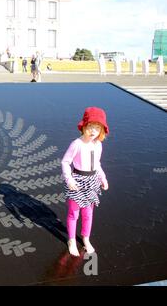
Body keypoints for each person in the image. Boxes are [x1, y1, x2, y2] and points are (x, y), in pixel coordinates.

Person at [61, 107, 109, 257]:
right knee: (74, 213)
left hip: (92, 181)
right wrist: (69, 179)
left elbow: (97, 164)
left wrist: (103, 177)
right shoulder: (77, 144)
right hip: (78, 181)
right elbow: (65, 162)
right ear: (84, 126)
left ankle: (86, 238)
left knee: (88, 213)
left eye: (97, 128)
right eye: (90, 127)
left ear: (101, 130)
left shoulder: (98, 145)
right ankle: (71, 240)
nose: (93, 131)